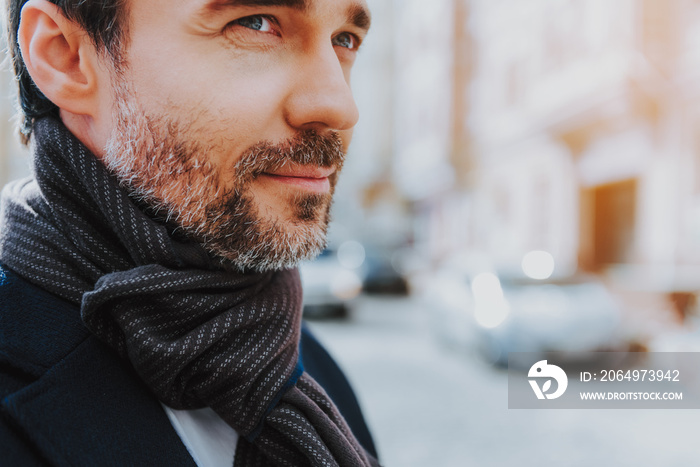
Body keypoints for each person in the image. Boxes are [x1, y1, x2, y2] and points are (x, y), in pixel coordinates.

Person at [0, 0, 379, 465]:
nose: (340, 106)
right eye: (255, 23)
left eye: (345, 40)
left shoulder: (306, 369)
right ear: (66, 57)